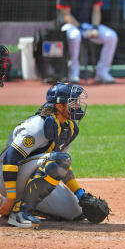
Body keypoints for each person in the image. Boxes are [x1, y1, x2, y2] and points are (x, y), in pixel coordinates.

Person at [0, 82, 108, 228]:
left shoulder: (68, 129)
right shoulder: (37, 125)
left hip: (28, 178)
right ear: (59, 106)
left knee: (75, 212)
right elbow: (10, 159)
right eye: (73, 102)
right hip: (6, 177)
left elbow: (64, 167)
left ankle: (22, 203)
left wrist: (80, 194)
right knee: (59, 160)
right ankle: (20, 212)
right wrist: (11, 197)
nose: (77, 106)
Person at [57, 0, 118, 83]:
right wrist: (80, 28)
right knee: (75, 36)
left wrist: (95, 27)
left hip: (88, 25)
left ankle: (102, 72)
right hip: (70, 25)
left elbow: (97, 10)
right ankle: (74, 72)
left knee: (111, 36)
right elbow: (65, 14)